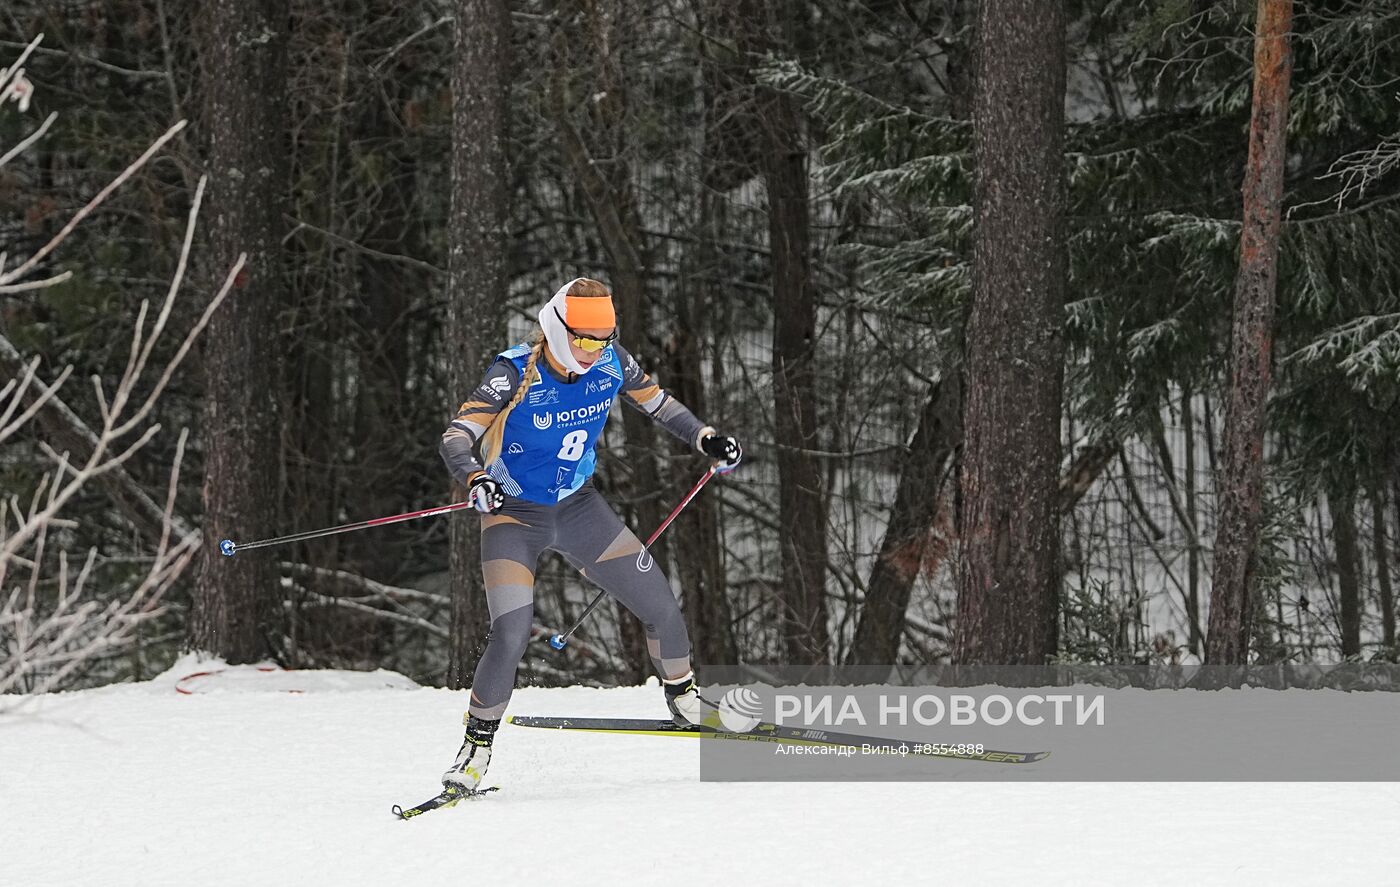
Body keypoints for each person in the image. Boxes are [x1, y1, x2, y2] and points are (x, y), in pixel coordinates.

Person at [437, 277, 742, 793]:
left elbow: (658, 403)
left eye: (602, 339)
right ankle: (475, 750)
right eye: (582, 339)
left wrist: (706, 437)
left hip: (579, 509)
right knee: (512, 631)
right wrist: (476, 478)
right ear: (557, 330)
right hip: (513, 516)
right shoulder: (513, 371)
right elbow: (457, 434)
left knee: (661, 605)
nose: (591, 350)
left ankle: (686, 700)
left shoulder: (609, 362)